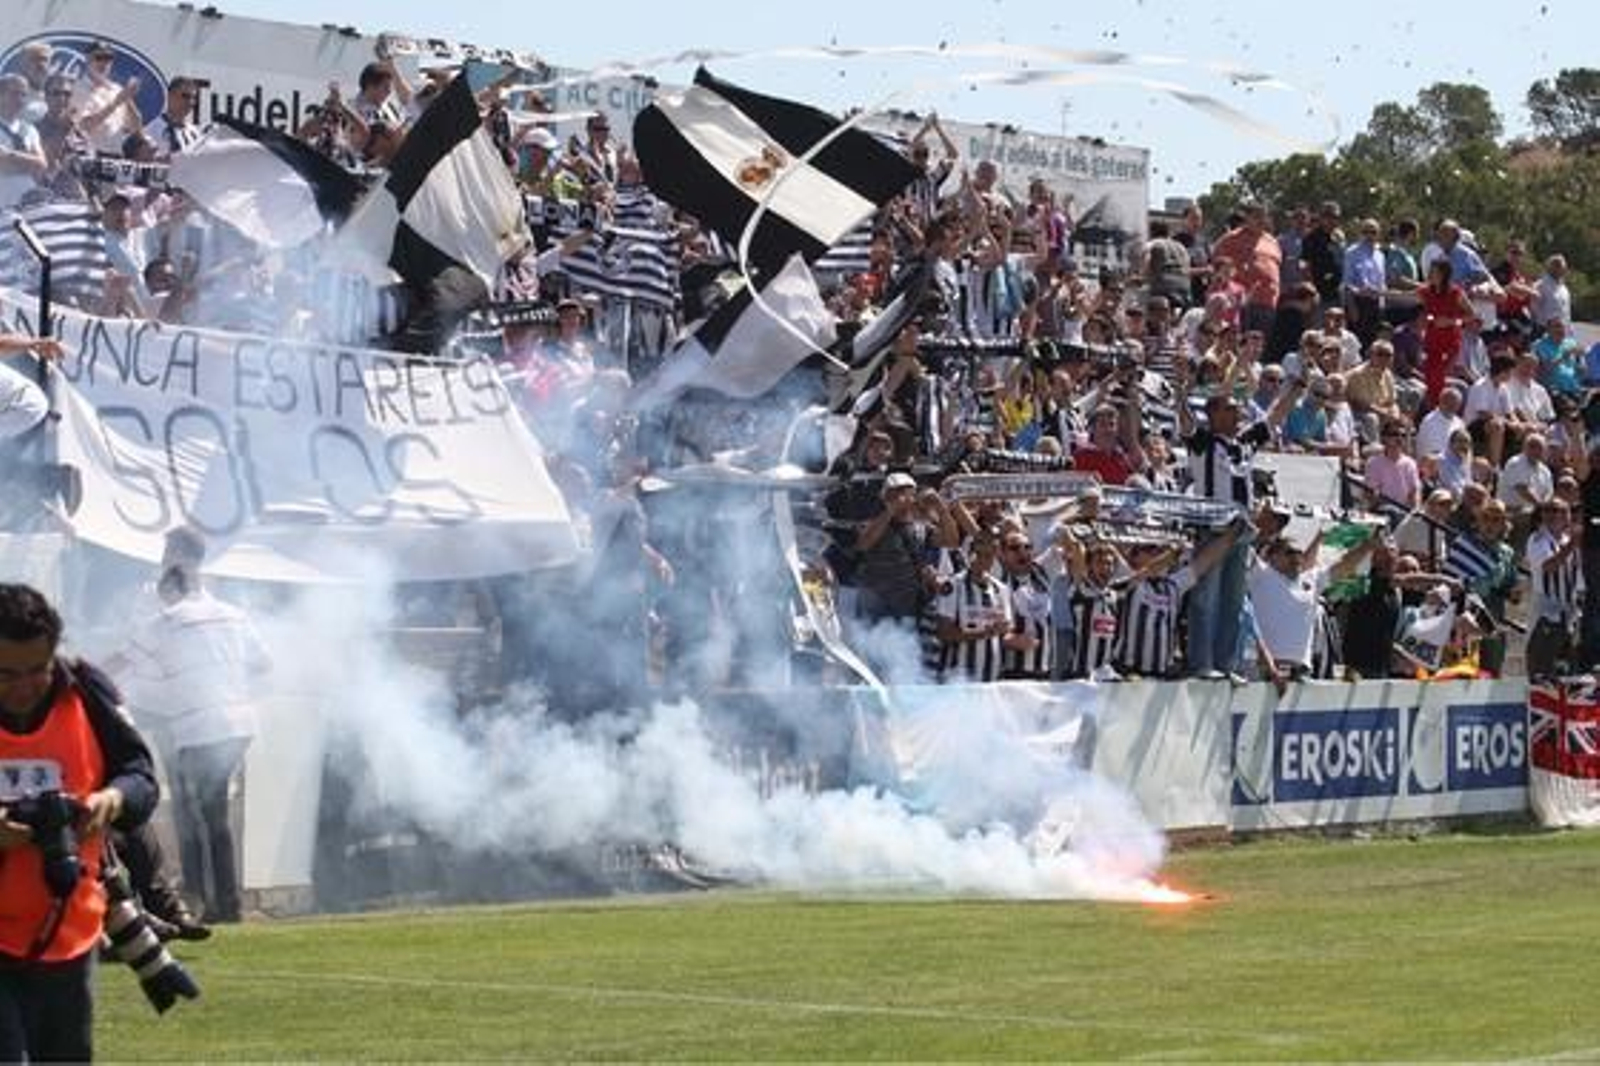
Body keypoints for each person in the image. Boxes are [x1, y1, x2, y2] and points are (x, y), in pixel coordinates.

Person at [0, 583, 159, 1062]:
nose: (24, 688)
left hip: (68, 933)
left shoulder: (88, 693)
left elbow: (141, 776)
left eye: (37, 671)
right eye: (5, 674)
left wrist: (111, 800)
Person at [114, 566, 269, 924]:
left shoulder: (167, 620)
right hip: (240, 723)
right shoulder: (235, 614)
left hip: (200, 727)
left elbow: (124, 660)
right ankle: (222, 904)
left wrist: (81, 676)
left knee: (200, 814)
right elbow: (264, 664)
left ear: (169, 592)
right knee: (212, 810)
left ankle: (208, 901)